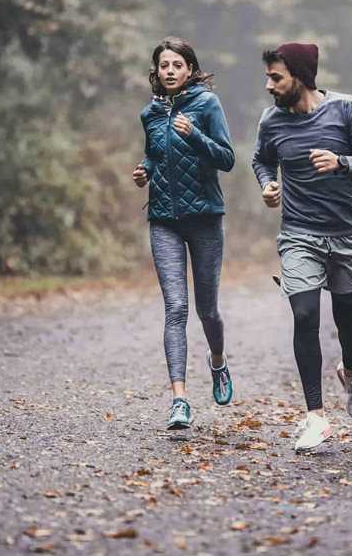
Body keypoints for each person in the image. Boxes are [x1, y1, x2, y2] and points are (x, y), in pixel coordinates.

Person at [251, 42, 352, 452]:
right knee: (305, 314)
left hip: (345, 234)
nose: (269, 85)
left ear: (301, 77)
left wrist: (341, 161)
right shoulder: (271, 121)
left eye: (276, 77)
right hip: (298, 233)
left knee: (349, 319)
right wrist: (268, 185)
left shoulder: (347, 110)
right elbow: (261, 160)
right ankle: (315, 416)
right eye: (268, 77)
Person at [132, 36, 235, 430]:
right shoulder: (150, 114)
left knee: (207, 310)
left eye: (178, 64)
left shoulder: (207, 104)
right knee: (175, 308)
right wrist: (144, 171)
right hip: (164, 221)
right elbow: (154, 154)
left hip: (206, 218)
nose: (170, 71)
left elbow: (226, 158)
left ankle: (218, 362)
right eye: (164, 65)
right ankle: (179, 400)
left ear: (190, 69)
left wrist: (194, 134)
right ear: (157, 72)